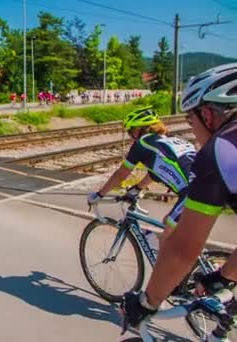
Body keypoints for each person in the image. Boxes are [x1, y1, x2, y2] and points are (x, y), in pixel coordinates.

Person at [120, 63, 237, 330]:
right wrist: (223, 277)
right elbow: (155, 170)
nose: (192, 130)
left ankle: (171, 286)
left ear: (207, 114)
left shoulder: (220, 149)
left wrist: (146, 303)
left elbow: (185, 249)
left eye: (190, 120)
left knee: (171, 236)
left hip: (190, 194)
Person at [88, 106, 197, 248]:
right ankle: (200, 265)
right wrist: (138, 188)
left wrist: (99, 194)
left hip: (193, 193)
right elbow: (157, 172)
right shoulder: (171, 140)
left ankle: (172, 268)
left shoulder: (142, 144)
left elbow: (121, 175)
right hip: (209, 187)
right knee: (173, 229)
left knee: (167, 243)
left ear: (139, 129)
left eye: (131, 131)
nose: (130, 135)